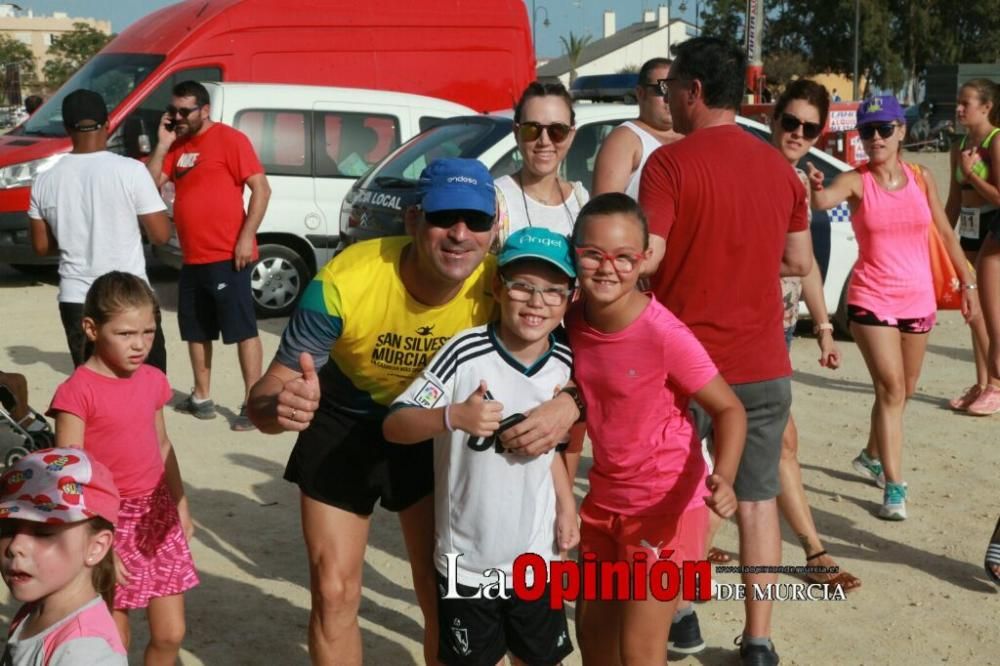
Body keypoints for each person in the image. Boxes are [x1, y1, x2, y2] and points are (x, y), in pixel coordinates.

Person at [246, 158, 581, 666]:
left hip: (435, 430)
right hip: (345, 418)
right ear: (412, 221)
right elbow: (267, 395)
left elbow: (574, 365)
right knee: (335, 592)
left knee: (437, 592)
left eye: (477, 221)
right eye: (444, 217)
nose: (460, 235)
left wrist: (569, 402)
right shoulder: (346, 280)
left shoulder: (504, 286)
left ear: (495, 230)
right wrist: (280, 407)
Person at [638, 37, 814, 666]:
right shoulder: (782, 169)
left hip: (686, 368)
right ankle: (760, 640)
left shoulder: (669, 165)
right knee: (757, 498)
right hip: (764, 363)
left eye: (670, 89)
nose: (668, 101)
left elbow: (647, 255)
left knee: (680, 499)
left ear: (694, 91)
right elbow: (797, 260)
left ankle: (675, 618)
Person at [383, 227, 579, 666]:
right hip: (466, 562)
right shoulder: (464, 352)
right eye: (522, 286)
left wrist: (567, 506)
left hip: (538, 559)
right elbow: (395, 424)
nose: (536, 301)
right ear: (497, 287)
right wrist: (452, 416)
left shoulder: (566, 362)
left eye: (553, 291)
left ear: (570, 299)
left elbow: (547, 449)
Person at [567, 193, 745, 666]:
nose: (608, 268)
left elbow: (729, 410)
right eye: (593, 254)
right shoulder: (569, 320)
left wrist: (724, 475)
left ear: (643, 260)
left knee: (640, 653)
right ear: (574, 251)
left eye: (624, 257)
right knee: (595, 642)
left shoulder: (664, 334)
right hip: (604, 503)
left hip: (663, 507)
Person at [808, 95, 978, 521]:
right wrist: (814, 188)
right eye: (868, 131)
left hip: (917, 298)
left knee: (906, 389)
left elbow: (944, 232)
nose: (876, 138)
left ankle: (871, 454)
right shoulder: (855, 180)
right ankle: (895, 487)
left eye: (885, 128)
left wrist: (968, 283)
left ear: (902, 130)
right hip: (870, 298)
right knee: (890, 388)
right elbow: (823, 202)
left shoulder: (921, 178)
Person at [47, 271, 198, 666]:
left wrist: (181, 505)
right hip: (105, 521)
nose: (140, 344)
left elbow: (163, 445)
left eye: (149, 332)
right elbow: (69, 477)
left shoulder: (152, 380)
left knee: (171, 633)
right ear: (92, 328)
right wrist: (94, 541)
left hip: (157, 513)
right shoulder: (76, 392)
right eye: (126, 333)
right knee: (115, 636)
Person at [769, 80, 860, 590]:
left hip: (777, 332)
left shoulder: (802, 184)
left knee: (767, 443)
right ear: (773, 119)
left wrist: (823, 327)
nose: (798, 133)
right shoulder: (752, 170)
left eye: (810, 128)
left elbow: (804, 267)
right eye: (791, 122)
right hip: (734, 332)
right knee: (776, 442)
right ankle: (813, 549)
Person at [146, 80, 271, 431]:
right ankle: (202, 397)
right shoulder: (178, 145)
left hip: (228, 255)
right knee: (195, 330)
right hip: (192, 257)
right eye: (174, 111)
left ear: (204, 110)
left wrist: (246, 236)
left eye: (185, 111)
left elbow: (261, 188)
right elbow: (148, 183)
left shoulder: (231, 140)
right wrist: (163, 143)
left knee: (242, 329)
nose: (178, 117)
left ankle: (253, 401)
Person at [29, 88, 170, 372]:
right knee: (147, 392)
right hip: (132, 298)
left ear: (67, 128)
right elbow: (161, 235)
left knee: (94, 394)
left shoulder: (44, 181)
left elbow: (41, 247)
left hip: (76, 298)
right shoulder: (131, 171)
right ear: (108, 124)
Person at [0, 447, 127, 665]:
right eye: (7, 529)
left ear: (96, 547)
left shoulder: (85, 654)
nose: (16, 546)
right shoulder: (38, 608)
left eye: (43, 532)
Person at [945, 78, 1000, 415]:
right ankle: (981, 383)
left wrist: (971, 172)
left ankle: (995, 385)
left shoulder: (995, 141)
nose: (959, 108)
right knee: (972, 312)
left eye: (966, 103)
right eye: (958, 102)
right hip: (968, 229)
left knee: (988, 314)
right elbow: (953, 201)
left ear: (987, 107)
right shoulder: (959, 144)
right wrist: (942, 238)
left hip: (993, 230)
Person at [495, 81, 588, 245]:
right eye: (531, 129)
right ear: (516, 133)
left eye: (557, 130)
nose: (544, 141)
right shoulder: (496, 200)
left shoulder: (580, 199)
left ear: (571, 135)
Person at [592, 58, 682, 198]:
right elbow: (605, 211)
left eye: (677, 88)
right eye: (663, 88)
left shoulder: (695, 136)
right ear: (641, 93)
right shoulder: (624, 140)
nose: (670, 97)